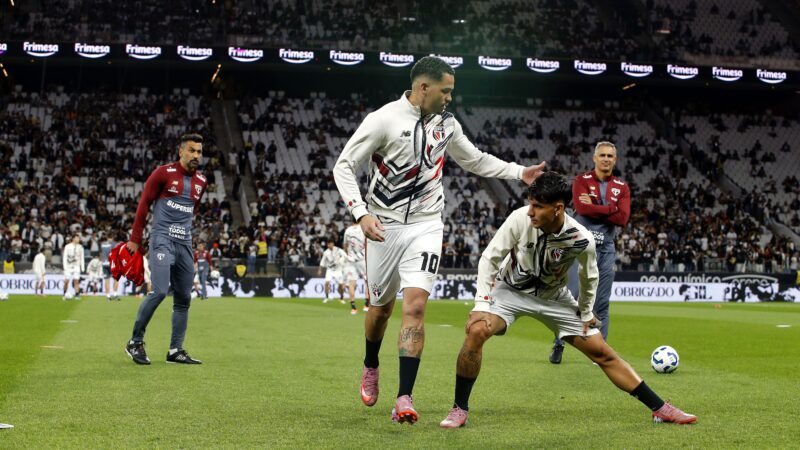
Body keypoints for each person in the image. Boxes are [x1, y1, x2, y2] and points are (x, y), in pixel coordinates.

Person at [333, 55, 545, 423]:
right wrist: (361, 213)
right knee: (380, 311)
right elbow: (344, 166)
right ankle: (370, 363)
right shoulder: (383, 120)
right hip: (383, 226)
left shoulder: (446, 125)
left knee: (414, 307)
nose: (450, 98)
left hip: (427, 224)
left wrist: (518, 172)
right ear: (423, 87)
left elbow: (475, 160)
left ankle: (404, 397)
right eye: (445, 91)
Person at [438, 172, 695, 428]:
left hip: (555, 298)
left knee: (601, 352)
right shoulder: (519, 218)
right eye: (530, 204)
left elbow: (589, 276)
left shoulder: (580, 239)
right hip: (509, 291)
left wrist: (585, 313)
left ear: (558, 208)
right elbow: (490, 258)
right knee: (476, 330)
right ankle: (459, 409)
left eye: (538, 206)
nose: (530, 211)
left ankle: (661, 408)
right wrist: (481, 305)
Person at [124, 133, 208, 365]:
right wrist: (135, 239)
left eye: (199, 152)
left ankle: (175, 350)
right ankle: (135, 342)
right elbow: (144, 204)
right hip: (162, 239)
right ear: (181, 151)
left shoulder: (201, 181)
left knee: (183, 299)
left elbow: (193, 209)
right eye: (191, 150)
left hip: (184, 243)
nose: (196, 155)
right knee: (160, 291)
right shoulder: (163, 173)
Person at [550, 141, 630, 364]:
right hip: (578, 248)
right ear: (594, 158)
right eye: (602, 155)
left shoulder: (622, 187)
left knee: (601, 302)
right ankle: (559, 343)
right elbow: (582, 209)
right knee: (571, 299)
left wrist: (597, 206)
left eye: (610, 156)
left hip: (605, 250)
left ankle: (600, 353)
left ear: (615, 159)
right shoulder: (580, 181)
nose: (606, 159)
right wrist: (610, 209)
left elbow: (623, 218)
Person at [343, 221, 369, 314]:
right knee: (367, 282)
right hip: (362, 259)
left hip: (351, 261)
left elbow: (345, 246)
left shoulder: (348, 230)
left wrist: (349, 254)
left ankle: (353, 308)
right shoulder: (363, 228)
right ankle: (366, 305)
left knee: (351, 283)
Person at [62, 234, 84, 300]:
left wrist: (82, 267)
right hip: (68, 266)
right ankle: (64, 293)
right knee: (66, 281)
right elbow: (64, 257)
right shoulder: (67, 246)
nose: (78, 239)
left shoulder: (80, 247)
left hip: (76, 266)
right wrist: (65, 267)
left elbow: (82, 257)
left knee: (76, 281)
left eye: (79, 238)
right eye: (77, 238)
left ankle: (77, 295)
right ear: (73, 238)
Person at [101, 233, 121, 300]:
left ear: (107, 237)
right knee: (116, 279)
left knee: (107, 280)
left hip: (104, 264)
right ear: (112, 237)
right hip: (112, 264)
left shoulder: (102, 244)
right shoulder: (114, 244)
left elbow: (101, 254)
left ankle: (108, 296)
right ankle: (115, 294)